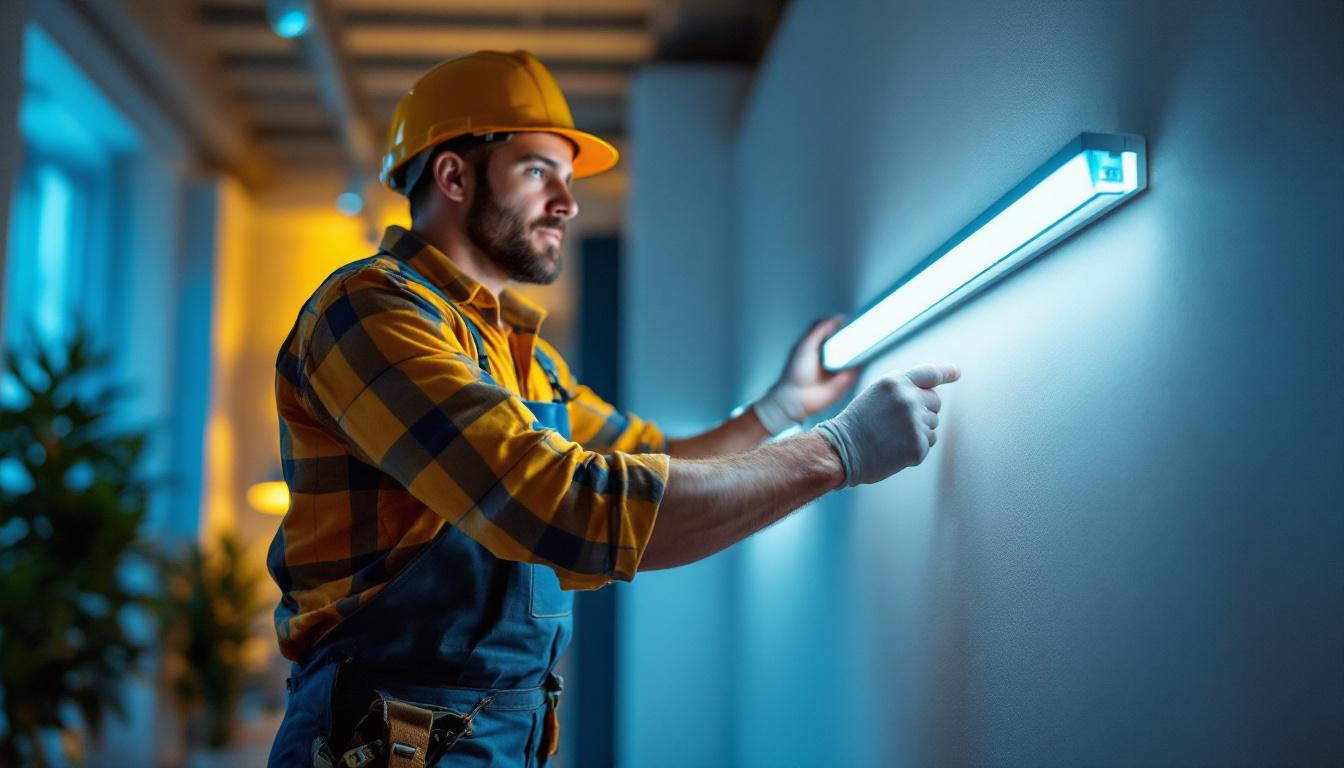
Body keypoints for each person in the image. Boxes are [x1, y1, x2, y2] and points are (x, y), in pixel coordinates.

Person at [265, 50, 960, 768]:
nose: (568, 202)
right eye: (539, 171)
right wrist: (838, 452)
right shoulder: (371, 312)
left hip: (503, 729)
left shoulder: (526, 355)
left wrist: (781, 409)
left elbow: (653, 458)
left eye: (568, 179)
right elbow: (561, 506)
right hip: (386, 736)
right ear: (453, 176)